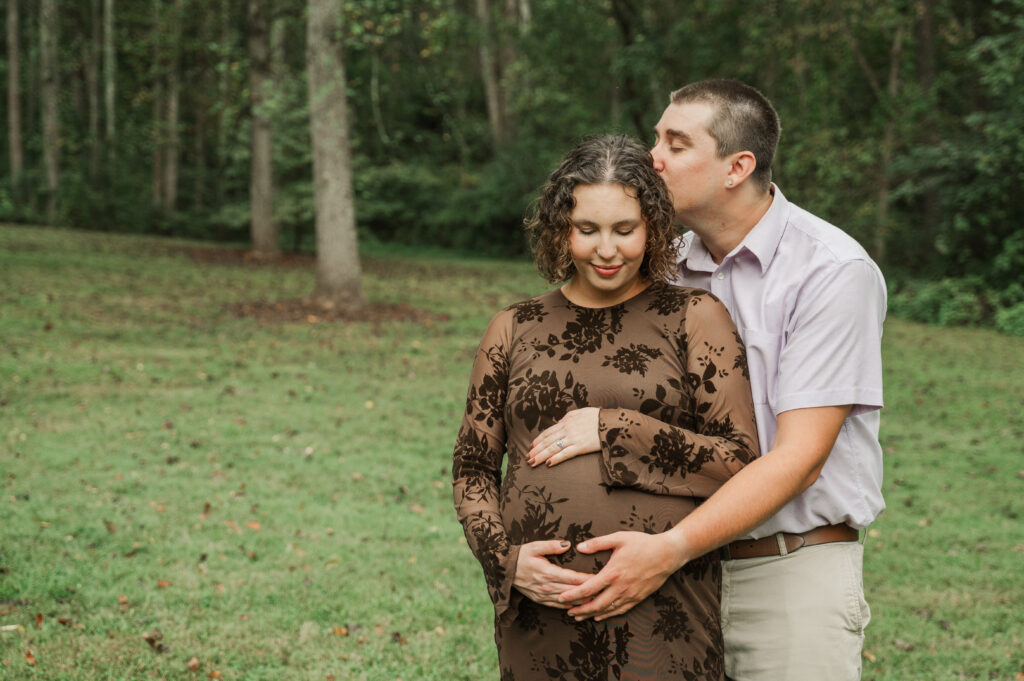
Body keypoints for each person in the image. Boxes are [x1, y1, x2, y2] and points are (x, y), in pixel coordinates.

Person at [534, 80, 886, 680]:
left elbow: (800, 459)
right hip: (664, 577)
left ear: (737, 167)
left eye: (675, 142)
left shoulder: (830, 272)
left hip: (786, 574)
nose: (653, 157)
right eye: (655, 138)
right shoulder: (662, 267)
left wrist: (670, 549)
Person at [452, 134, 759, 679]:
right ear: (560, 229)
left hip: (663, 607)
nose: (607, 249)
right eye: (587, 230)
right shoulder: (513, 327)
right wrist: (505, 560)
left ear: (654, 227)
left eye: (625, 229)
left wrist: (616, 428)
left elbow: (737, 459)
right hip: (541, 614)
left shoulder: (695, 316)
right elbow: (474, 468)